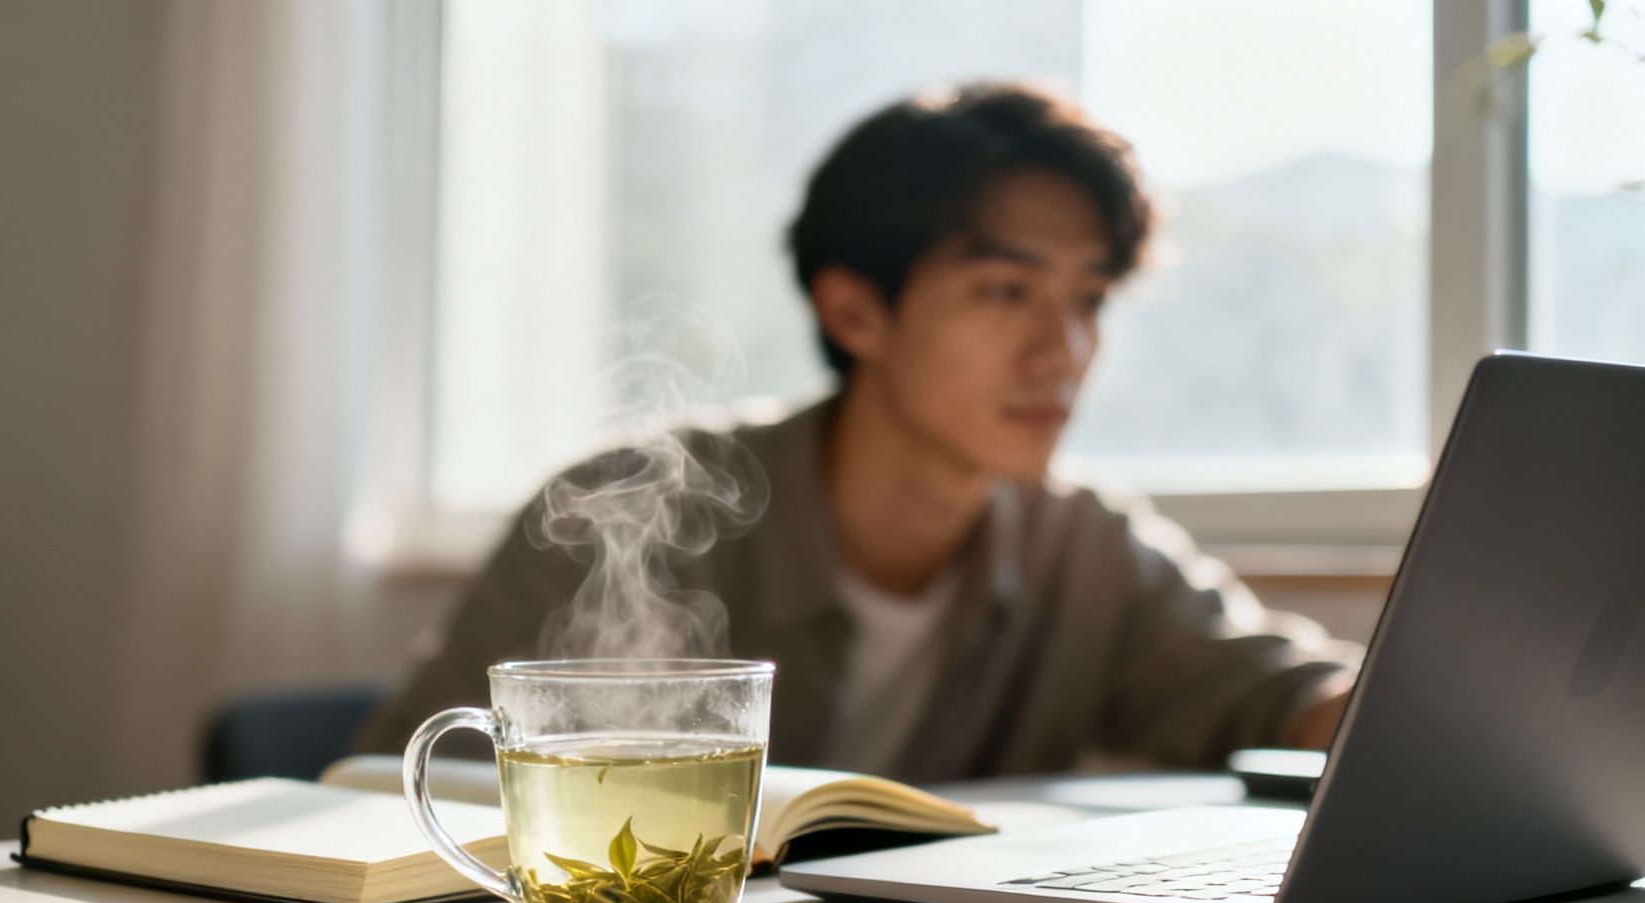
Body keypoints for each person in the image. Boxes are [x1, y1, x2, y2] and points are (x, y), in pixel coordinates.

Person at [357, 82, 1358, 781]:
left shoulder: (1081, 546)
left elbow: (1282, 693)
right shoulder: (641, 510)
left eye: (1088, 298)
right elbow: (401, 788)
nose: (1062, 352)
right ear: (853, 313)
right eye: (1005, 291)